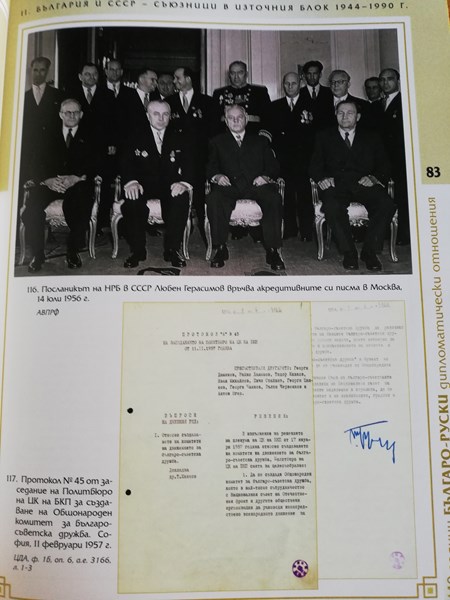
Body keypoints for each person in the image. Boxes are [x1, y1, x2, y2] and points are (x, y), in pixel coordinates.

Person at [310, 100, 395, 272]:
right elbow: (314, 166)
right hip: (336, 185)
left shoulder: (372, 137)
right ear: (335, 115)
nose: (345, 117)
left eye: (350, 113)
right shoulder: (324, 136)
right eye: (340, 113)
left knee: (386, 204)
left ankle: (370, 252)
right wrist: (321, 179)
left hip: (364, 184)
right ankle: (349, 252)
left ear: (358, 117)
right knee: (332, 206)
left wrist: (374, 178)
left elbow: (385, 165)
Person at [22, 98, 97, 272]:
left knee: (81, 203)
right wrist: (47, 180)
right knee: (31, 210)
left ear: (81, 114)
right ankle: (38, 254)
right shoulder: (46, 134)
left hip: (76, 184)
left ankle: (73, 250)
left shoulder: (92, 135)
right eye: (67, 112)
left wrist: (76, 178)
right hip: (50, 183)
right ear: (60, 115)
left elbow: (97, 163)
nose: (71, 116)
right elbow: (34, 163)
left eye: (75, 112)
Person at [206, 104, 284, 271]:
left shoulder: (260, 141)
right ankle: (220, 248)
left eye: (239, 117)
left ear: (246, 119)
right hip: (230, 187)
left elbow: (274, 166)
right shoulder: (217, 142)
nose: (235, 121)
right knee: (214, 198)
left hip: (256, 186)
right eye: (231, 118)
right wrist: (217, 176)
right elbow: (210, 167)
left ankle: (273, 250)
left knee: (273, 198)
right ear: (226, 121)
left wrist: (265, 177)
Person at [119, 100, 194, 269]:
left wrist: (184, 183)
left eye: (165, 114)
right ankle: (137, 250)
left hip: (169, 184)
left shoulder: (180, 135)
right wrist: (131, 182)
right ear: (148, 116)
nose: (161, 118)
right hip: (142, 184)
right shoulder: (135, 134)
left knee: (180, 199)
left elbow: (190, 163)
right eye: (156, 114)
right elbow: (125, 162)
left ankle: (172, 250)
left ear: (170, 116)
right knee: (132, 202)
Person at [168, 66, 217, 238]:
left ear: (188, 79)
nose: (174, 81)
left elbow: (214, 132)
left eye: (177, 77)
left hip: (200, 158)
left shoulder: (207, 102)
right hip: (176, 158)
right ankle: (178, 235)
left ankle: (207, 234)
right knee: (178, 195)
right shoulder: (169, 101)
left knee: (201, 198)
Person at [267, 72, 314, 240]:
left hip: (304, 158)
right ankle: (290, 229)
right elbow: (271, 132)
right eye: (287, 83)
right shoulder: (275, 106)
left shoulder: (311, 104)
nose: (290, 86)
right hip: (283, 158)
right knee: (285, 194)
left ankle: (307, 231)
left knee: (305, 195)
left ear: (300, 84)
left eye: (293, 83)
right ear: (283, 85)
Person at [378, 67, 409, 244]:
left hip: (399, 159)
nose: (385, 83)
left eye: (389, 79)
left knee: (401, 197)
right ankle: (385, 232)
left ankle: (403, 234)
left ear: (397, 81)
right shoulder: (378, 104)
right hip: (382, 160)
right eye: (382, 79)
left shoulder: (405, 102)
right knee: (383, 197)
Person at [21, 57, 62, 183]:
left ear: (47, 71)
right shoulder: (22, 97)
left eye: (42, 70)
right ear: (31, 71)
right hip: (28, 152)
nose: (38, 74)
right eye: (35, 70)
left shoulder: (58, 95)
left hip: (50, 152)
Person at [212, 61, 271, 136]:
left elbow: (268, 117)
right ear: (229, 75)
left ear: (246, 74)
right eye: (233, 73)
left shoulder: (259, 92)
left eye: (240, 73)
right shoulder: (219, 93)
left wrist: (264, 137)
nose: (236, 77)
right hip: (226, 136)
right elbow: (214, 119)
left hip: (253, 134)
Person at [298, 60, 334, 129]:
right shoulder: (298, 93)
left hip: (325, 132)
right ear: (305, 75)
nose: (312, 77)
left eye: (315, 74)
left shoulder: (329, 92)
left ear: (320, 75)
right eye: (309, 74)